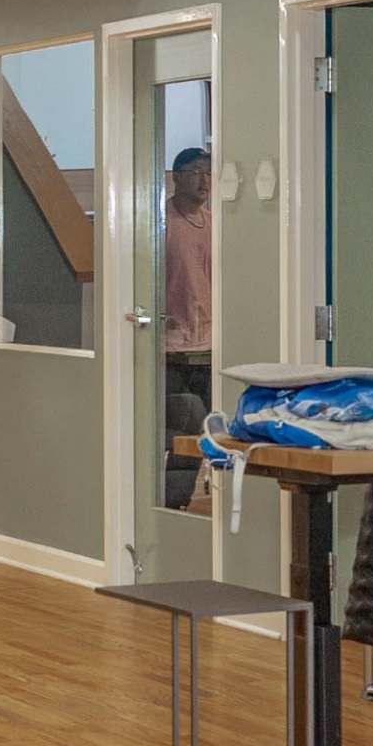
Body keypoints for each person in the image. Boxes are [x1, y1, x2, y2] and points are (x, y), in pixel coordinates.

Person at [159, 145, 213, 509]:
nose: (203, 180)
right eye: (195, 172)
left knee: (201, 429)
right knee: (177, 425)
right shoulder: (161, 221)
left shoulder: (215, 224)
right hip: (169, 343)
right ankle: (161, 502)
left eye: (208, 173)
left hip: (207, 343)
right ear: (176, 177)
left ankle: (178, 501)